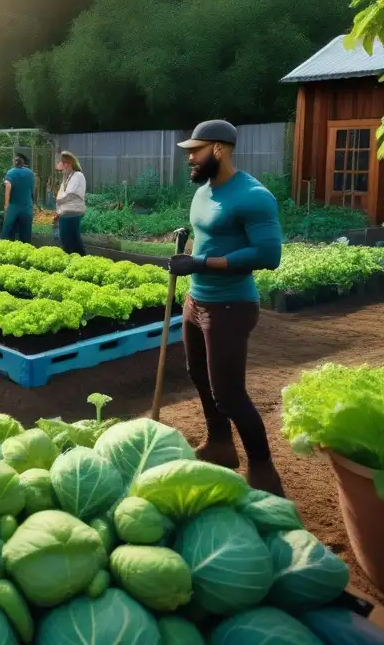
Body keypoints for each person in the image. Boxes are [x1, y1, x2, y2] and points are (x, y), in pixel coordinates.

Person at [169, 119, 284, 496]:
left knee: (230, 394)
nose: (189, 158)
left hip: (230, 306)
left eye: (195, 151)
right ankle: (220, 445)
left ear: (218, 149)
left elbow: (268, 255)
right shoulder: (203, 191)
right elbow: (212, 234)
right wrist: (188, 243)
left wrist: (201, 264)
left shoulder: (254, 196)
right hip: (196, 299)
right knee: (197, 375)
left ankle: (264, 472)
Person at [55, 151, 87, 255]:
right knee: (68, 238)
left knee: (70, 239)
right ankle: (77, 258)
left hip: (72, 213)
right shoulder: (68, 176)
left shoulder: (77, 175)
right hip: (66, 213)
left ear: (67, 163)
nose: (59, 166)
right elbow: (62, 194)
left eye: (61, 163)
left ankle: (80, 258)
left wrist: (59, 198)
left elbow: (68, 194)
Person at [1, 152, 35, 242]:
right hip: (27, 206)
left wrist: (6, 206)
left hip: (13, 207)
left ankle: (8, 252)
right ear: (23, 163)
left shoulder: (11, 172)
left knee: (8, 234)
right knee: (26, 235)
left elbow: (8, 186)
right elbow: (32, 190)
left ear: (15, 162)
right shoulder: (30, 173)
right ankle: (25, 252)